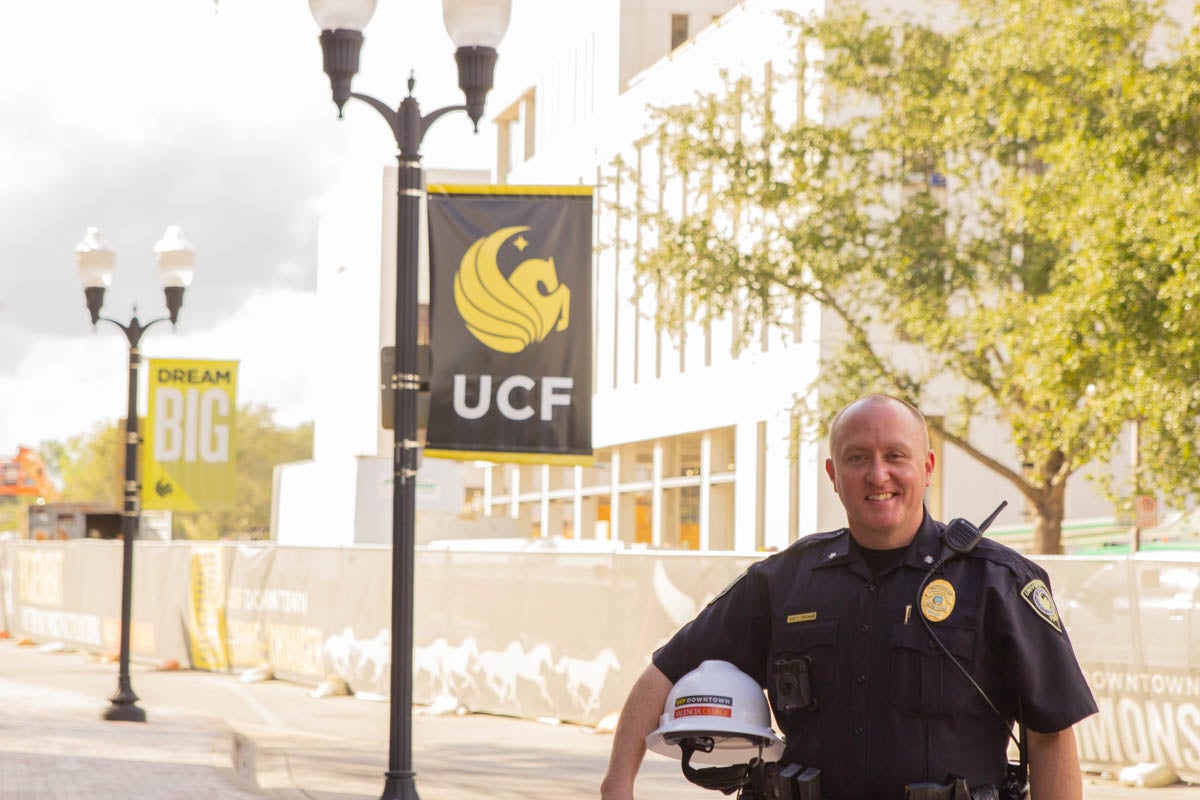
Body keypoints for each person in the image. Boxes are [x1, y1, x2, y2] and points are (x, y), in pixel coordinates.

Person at [601, 394, 1097, 800]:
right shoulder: (783, 581)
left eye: (895, 456)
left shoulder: (998, 582)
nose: (877, 475)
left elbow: (1050, 732)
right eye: (857, 458)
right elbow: (666, 670)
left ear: (926, 467)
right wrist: (616, 785)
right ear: (833, 475)